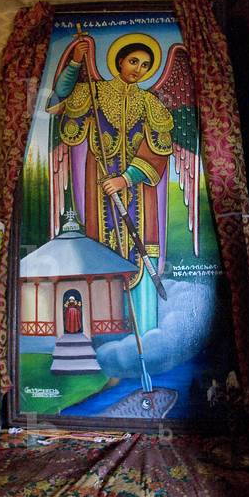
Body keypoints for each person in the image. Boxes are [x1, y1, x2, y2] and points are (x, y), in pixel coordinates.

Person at [48, 35, 173, 331]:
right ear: (119, 61)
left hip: (139, 194)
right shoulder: (95, 92)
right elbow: (58, 101)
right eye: (133, 61)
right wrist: (76, 61)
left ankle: (144, 331)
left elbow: (158, 152)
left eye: (145, 65)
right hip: (99, 190)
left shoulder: (149, 103)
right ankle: (105, 336)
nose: (138, 69)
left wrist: (126, 178)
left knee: (141, 255)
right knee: (103, 255)